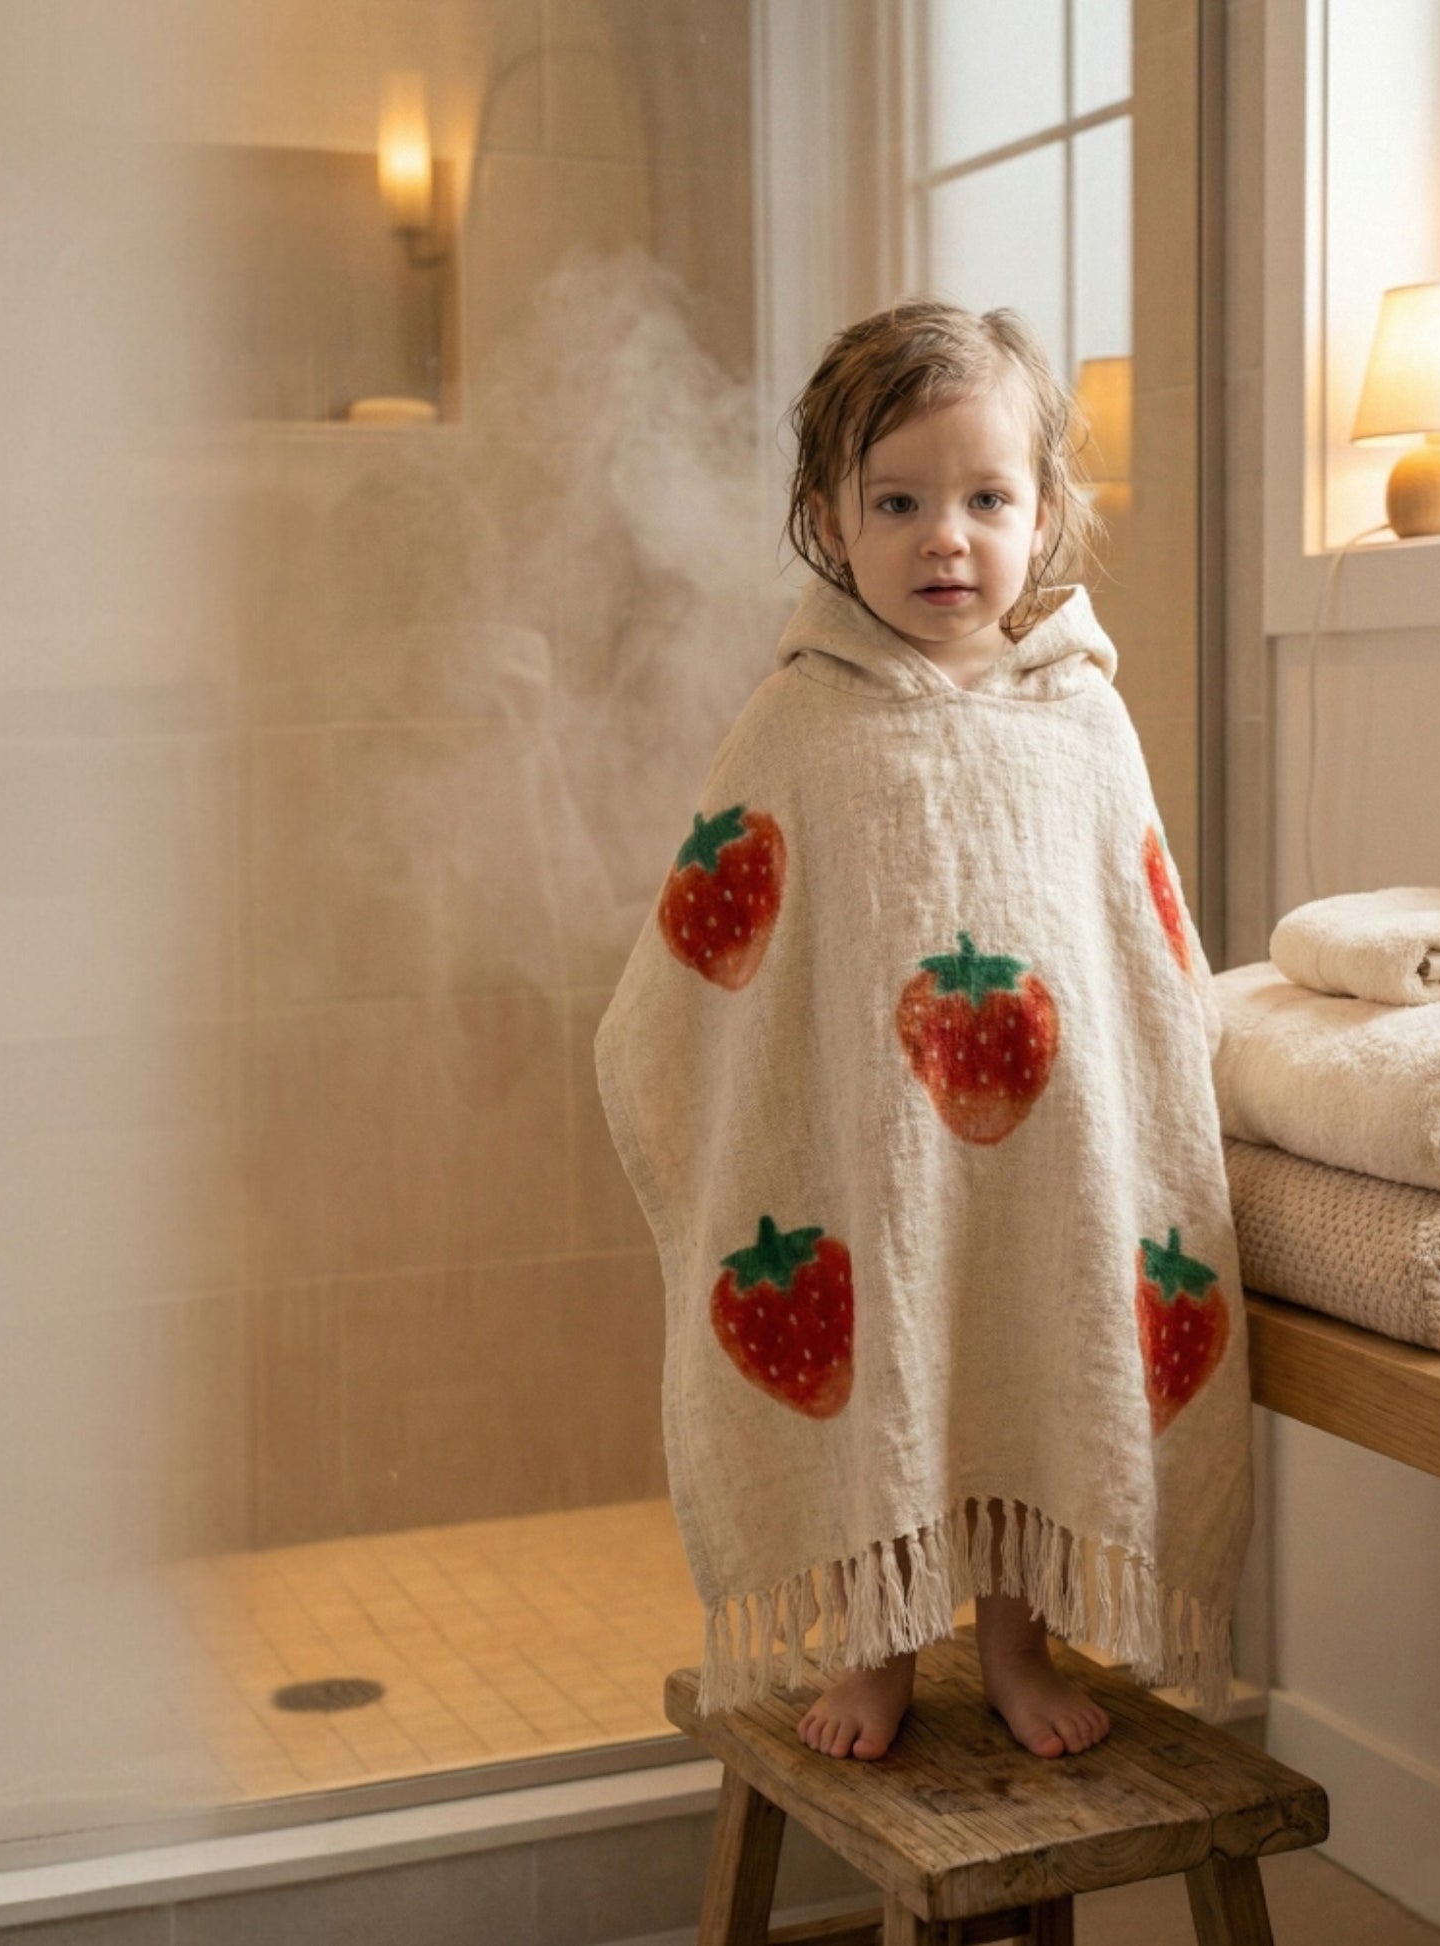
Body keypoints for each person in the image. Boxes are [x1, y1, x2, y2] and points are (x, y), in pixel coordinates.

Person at [594, 298, 1251, 1765]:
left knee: (1030, 1352)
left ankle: (1017, 1642)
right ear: (827, 520)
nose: (942, 537)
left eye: (983, 498)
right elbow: (706, 967)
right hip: (867, 1153)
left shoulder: (1085, 717)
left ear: (1044, 514)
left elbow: (1144, 947)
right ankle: (880, 1645)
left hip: (1046, 1156)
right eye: (895, 502)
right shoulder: (799, 721)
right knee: (888, 1375)